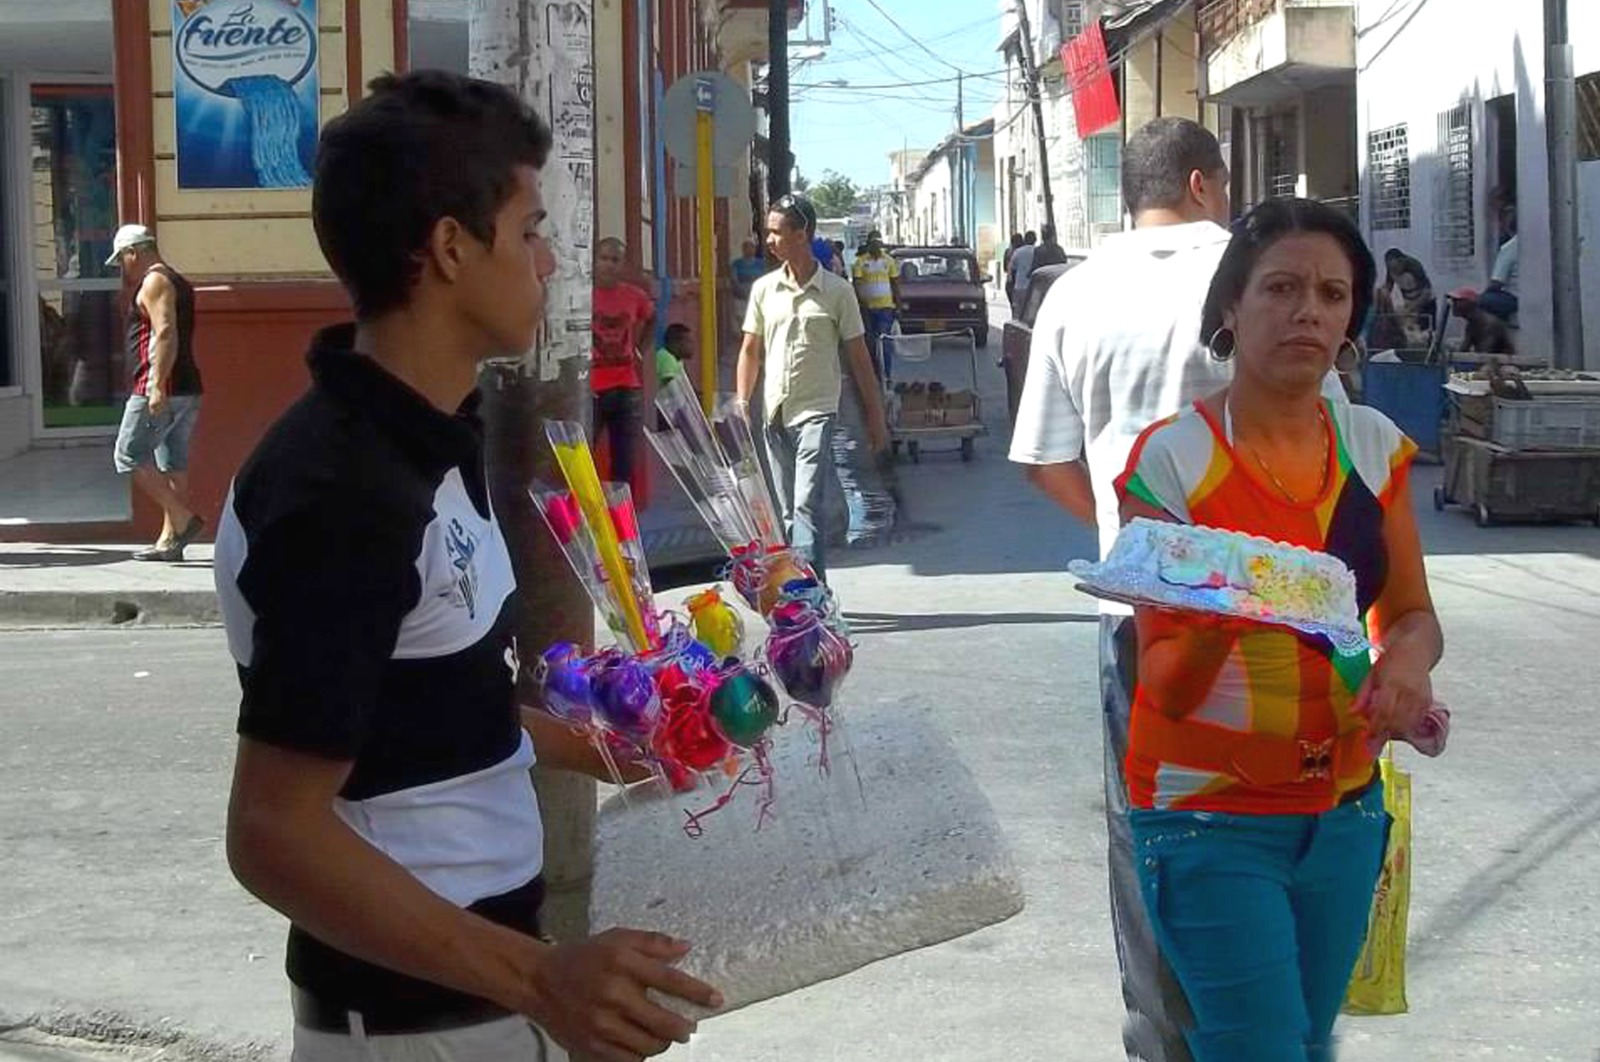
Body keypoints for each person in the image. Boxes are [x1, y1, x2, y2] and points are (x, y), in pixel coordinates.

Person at [214, 70, 721, 1062]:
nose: (548, 261)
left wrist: (610, 747)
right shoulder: (342, 490)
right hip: (406, 1022)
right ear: (451, 247)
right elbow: (272, 832)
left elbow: (419, 712)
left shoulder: (430, 437)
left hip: (475, 994)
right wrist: (540, 978)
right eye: (529, 230)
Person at [1117, 197, 1443, 1062]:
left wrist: (1405, 667)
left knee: (1305, 1039)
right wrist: (1239, 603)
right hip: (1208, 809)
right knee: (1258, 1048)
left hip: (1345, 806)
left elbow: (1411, 615)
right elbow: (1168, 684)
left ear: (1351, 319)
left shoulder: (1375, 449)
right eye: (1282, 288)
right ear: (1232, 305)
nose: (1309, 311)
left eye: (1333, 295)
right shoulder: (1172, 462)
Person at [1009, 114, 1236, 1062]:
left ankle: (1160, 1041)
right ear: (1199, 183)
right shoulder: (1257, 269)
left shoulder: (1075, 293)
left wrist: (1122, 533)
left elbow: (1044, 460)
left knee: (1145, 828)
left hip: (1135, 614)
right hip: (1263, 607)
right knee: (1272, 824)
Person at [737, 192, 890, 581]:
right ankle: (799, 589)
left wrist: (876, 421)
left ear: (801, 234)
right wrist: (741, 402)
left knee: (806, 503)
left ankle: (811, 593)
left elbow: (859, 361)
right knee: (788, 509)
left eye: (776, 232)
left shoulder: (838, 292)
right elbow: (751, 351)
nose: (768, 241)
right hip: (775, 412)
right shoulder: (764, 290)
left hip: (817, 412)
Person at [107, 224, 205, 562]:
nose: (123, 267)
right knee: (171, 461)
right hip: (186, 386)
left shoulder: (155, 281)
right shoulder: (175, 279)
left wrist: (156, 386)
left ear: (133, 251)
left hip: (162, 386)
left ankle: (184, 519)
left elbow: (165, 332)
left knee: (129, 454)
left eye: (122, 259)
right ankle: (170, 540)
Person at [592, 236, 656, 489]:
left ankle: (621, 520)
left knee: (624, 462)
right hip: (592, 391)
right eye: (604, 258)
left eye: (615, 260)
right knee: (582, 457)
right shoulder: (582, 294)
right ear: (595, 261)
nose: (609, 265)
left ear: (623, 265)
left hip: (626, 389)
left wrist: (641, 348)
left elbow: (651, 318)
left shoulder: (634, 296)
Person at [851, 230, 901, 382]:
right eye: (872, 242)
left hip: (886, 308)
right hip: (867, 309)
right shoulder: (860, 262)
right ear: (868, 244)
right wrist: (861, 302)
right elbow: (857, 284)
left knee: (884, 341)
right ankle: (874, 373)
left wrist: (898, 305)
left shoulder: (889, 261)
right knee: (870, 343)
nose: (875, 245)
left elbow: (895, 284)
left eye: (877, 242)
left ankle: (886, 374)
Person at [1370, 248, 1435, 350]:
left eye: (1396, 267)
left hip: (1425, 301)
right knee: (1407, 328)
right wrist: (1379, 294)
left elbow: (1427, 291)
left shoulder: (1414, 266)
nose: (1395, 270)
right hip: (1409, 299)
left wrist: (1414, 307)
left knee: (1425, 333)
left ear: (1402, 261)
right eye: (1391, 268)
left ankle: (1426, 352)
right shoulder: (1391, 268)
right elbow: (1388, 286)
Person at [1448, 286, 1517, 355]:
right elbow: (1463, 350)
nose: (1453, 305)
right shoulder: (1472, 324)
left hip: (1501, 363)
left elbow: (1484, 355)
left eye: (1456, 301)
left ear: (1468, 303)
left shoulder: (1488, 324)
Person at [1480, 207, 1518, 322]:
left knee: (1481, 301)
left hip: (1514, 298)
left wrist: (1480, 296)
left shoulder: (1510, 247)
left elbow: (1496, 283)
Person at [1007, 230, 1038, 315]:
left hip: (1020, 286)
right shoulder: (1038, 251)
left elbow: (1011, 269)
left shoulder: (1018, 252)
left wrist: (1010, 283)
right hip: (1034, 288)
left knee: (1018, 312)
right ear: (1035, 240)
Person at [655, 321, 693, 388]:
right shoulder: (667, 359)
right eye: (688, 342)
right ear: (675, 344)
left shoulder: (678, 360)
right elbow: (672, 389)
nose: (692, 346)